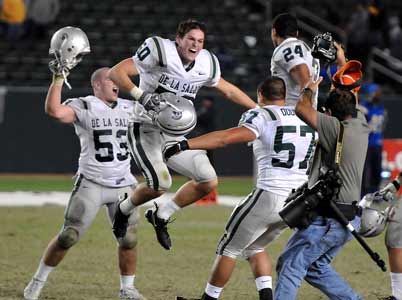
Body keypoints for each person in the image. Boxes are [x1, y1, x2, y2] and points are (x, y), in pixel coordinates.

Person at [108, 19, 257, 250]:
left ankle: (162, 215)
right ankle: (124, 208)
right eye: (191, 39)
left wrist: (258, 110)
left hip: (176, 134)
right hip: (145, 126)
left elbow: (228, 89)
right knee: (160, 184)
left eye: (200, 41)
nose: (196, 45)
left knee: (209, 181)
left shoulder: (207, 63)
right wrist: (142, 96)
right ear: (178, 40)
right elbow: (116, 72)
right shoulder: (159, 50)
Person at [164, 77, 316, 300]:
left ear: (260, 94)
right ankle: (266, 296)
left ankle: (208, 299)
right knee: (253, 247)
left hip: (270, 193)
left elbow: (225, 139)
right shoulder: (306, 115)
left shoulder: (263, 115)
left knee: (228, 247)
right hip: (297, 201)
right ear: (283, 95)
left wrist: (186, 144)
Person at [23, 67, 146, 300]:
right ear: (97, 85)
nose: (117, 83)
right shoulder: (85, 105)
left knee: (129, 239)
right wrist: (58, 79)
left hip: (123, 185)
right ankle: (37, 281)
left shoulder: (131, 107)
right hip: (92, 182)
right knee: (68, 235)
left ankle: (127, 289)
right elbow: (55, 112)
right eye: (111, 79)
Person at [274, 61, 370, 298]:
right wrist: (341, 64)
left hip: (329, 219)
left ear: (329, 113)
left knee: (289, 266)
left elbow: (302, 109)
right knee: (315, 268)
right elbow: (351, 94)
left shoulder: (334, 128)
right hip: (348, 218)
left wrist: (309, 87)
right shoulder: (362, 124)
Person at [270, 13, 320, 107]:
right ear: (296, 33)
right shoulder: (307, 49)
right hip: (307, 114)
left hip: (294, 115)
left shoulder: (287, 48)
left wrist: (304, 110)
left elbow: (303, 75)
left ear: (274, 31)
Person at [360, 83, 386, 195]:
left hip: (377, 144)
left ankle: (375, 193)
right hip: (367, 144)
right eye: (376, 93)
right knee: (366, 173)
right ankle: (364, 195)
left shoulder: (381, 108)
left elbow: (382, 126)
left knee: (377, 172)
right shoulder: (363, 107)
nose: (378, 95)